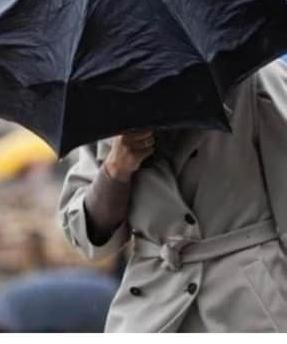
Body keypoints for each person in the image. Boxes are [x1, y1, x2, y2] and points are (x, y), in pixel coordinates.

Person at [58, 60, 287, 332]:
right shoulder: (102, 99)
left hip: (252, 305)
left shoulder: (252, 77)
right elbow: (87, 238)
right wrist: (116, 168)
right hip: (151, 309)